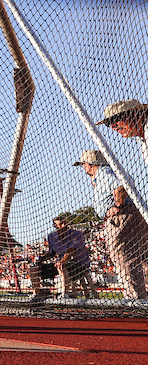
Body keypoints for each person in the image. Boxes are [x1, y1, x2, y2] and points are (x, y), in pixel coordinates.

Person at [75, 150, 147, 299]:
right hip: (133, 213)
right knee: (142, 257)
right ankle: (142, 296)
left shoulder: (104, 172)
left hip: (122, 216)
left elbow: (121, 187)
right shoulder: (106, 172)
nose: (83, 168)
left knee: (123, 256)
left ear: (90, 164)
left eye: (84, 165)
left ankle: (136, 299)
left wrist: (118, 206)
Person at [34, 214, 92, 299]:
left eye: (65, 223)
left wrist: (61, 261)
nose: (64, 225)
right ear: (55, 227)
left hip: (79, 264)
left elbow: (71, 251)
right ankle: (36, 293)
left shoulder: (76, 234)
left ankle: (64, 294)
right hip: (63, 263)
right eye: (61, 224)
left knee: (61, 266)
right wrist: (40, 260)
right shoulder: (52, 237)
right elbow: (51, 253)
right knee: (34, 268)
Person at [98, 99, 148, 165]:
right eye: (108, 123)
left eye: (114, 119)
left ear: (136, 114)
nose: (113, 127)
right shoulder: (142, 139)